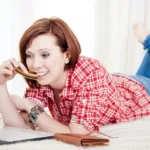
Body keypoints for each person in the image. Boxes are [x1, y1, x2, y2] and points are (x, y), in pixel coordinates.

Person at [0, 17, 150, 135]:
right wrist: (1, 85)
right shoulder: (43, 78)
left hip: (140, 91)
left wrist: (28, 105)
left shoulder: (91, 72)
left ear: (67, 55)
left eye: (45, 54)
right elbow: (19, 126)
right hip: (113, 84)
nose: (35, 64)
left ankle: (146, 40)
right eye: (29, 55)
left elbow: (77, 134)